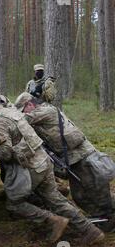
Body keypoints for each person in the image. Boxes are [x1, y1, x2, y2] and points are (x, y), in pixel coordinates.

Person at [0, 87, 105, 244]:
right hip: (44, 161)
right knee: (55, 200)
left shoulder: (0, 121)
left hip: (33, 167)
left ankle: (53, 220)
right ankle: (90, 230)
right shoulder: (11, 112)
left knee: (14, 204)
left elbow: (5, 154)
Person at [15, 93, 115, 231]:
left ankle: (107, 220)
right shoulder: (43, 112)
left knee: (94, 191)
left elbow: (21, 120)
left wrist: (5, 114)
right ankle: (103, 217)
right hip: (75, 158)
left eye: (23, 109)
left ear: (30, 105)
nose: (23, 112)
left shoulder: (45, 111)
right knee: (80, 195)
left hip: (82, 156)